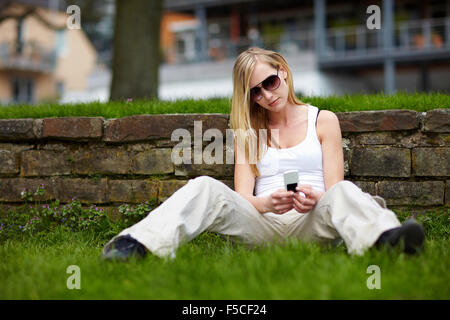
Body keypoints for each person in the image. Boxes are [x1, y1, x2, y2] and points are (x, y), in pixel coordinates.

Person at [102, 47, 425, 261]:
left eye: (269, 82)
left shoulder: (323, 120)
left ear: (283, 71)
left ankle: (387, 240)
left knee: (344, 191)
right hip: (261, 227)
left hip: (311, 224)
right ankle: (135, 245)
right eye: (255, 91)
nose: (266, 95)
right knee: (204, 186)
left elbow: (334, 188)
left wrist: (314, 199)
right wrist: (265, 203)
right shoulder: (250, 131)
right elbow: (243, 197)